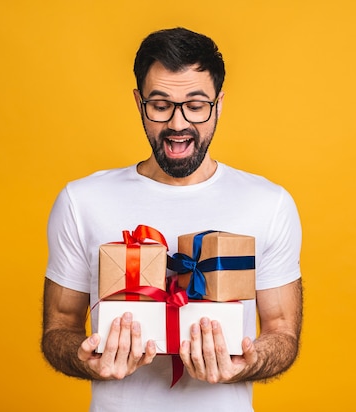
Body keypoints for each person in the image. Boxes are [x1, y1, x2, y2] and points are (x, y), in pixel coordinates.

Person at [41, 27, 303, 411]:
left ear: (219, 103)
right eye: (161, 105)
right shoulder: (81, 201)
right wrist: (86, 360)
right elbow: (59, 328)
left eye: (196, 105)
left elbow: (282, 332)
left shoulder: (269, 203)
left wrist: (251, 359)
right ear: (138, 102)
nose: (178, 124)